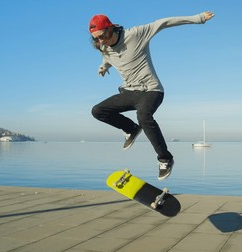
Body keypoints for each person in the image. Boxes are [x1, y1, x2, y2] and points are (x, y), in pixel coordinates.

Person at [89, 11, 215, 180]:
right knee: (98, 111)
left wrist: (198, 19)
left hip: (151, 90)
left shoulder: (135, 34)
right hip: (129, 91)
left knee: (143, 116)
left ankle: (165, 159)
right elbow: (108, 57)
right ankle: (131, 129)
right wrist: (103, 67)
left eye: (102, 36)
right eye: (96, 39)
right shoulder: (102, 47)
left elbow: (164, 22)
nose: (100, 41)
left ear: (110, 28)